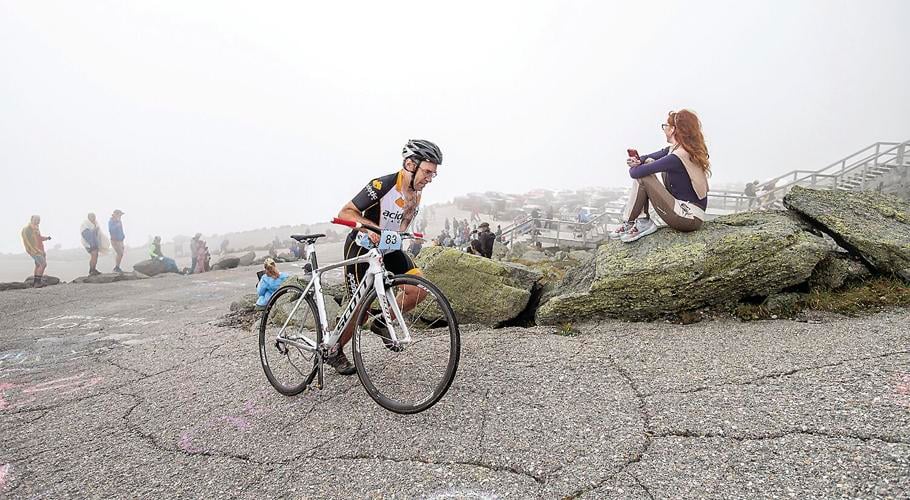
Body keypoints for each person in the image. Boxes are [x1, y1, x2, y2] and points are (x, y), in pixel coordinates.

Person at [330, 139, 442, 375]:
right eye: (427, 172)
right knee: (360, 308)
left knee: (419, 290)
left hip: (389, 247)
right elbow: (346, 212)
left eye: (433, 174)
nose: (429, 179)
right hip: (362, 248)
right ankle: (334, 349)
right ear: (411, 164)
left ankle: (382, 323)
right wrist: (371, 228)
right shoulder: (383, 184)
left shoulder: (416, 192)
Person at [614, 109, 711, 243]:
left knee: (644, 176)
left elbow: (636, 173)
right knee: (647, 166)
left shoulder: (677, 157)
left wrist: (636, 166)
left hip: (688, 217)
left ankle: (636, 222)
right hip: (687, 212)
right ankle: (638, 221)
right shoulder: (677, 149)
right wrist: (638, 161)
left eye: (665, 126)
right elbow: (648, 157)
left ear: (673, 129)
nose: (664, 129)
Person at [21, 215, 51, 287]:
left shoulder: (36, 228)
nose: (38, 221)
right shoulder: (27, 229)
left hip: (40, 249)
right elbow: (28, 241)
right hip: (34, 250)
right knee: (43, 264)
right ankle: (37, 283)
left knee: (38, 265)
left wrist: (46, 238)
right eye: (36, 219)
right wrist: (36, 251)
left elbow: (39, 238)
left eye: (39, 219)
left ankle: (36, 282)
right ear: (31, 219)